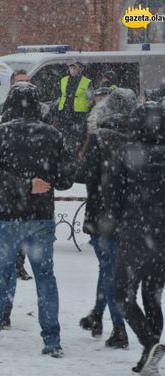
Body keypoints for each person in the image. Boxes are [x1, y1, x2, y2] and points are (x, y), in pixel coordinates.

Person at [0, 82, 74, 358]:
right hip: (41, 217)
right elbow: (66, 179)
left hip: (9, 216)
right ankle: (52, 338)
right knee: (45, 278)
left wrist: (21, 185)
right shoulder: (53, 135)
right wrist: (39, 183)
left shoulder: (0, 134)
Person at [103, 101, 165, 376]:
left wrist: (113, 222)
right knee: (152, 296)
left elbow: (111, 197)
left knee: (121, 294)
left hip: (134, 233)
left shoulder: (125, 153)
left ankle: (149, 342)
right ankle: (149, 356)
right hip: (162, 236)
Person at [76, 88, 137, 349]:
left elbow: (84, 174)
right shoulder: (139, 137)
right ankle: (98, 316)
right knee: (108, 268)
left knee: (110, 271)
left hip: (102, 214)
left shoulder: (100, 138)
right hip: (131, 216)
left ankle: (119, 328)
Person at [56, 61, 94, 157]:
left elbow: (90, 99)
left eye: (75, 68)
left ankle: (75, 155)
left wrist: (89, 113)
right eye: (71, 68)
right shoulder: (63, 80)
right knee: (65, 137)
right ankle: (66, 154)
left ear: (80, 69)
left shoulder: (86, 82)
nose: (72, 70)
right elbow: (60, 96)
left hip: (79, 115)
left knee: (77, 138)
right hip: (65, 113)